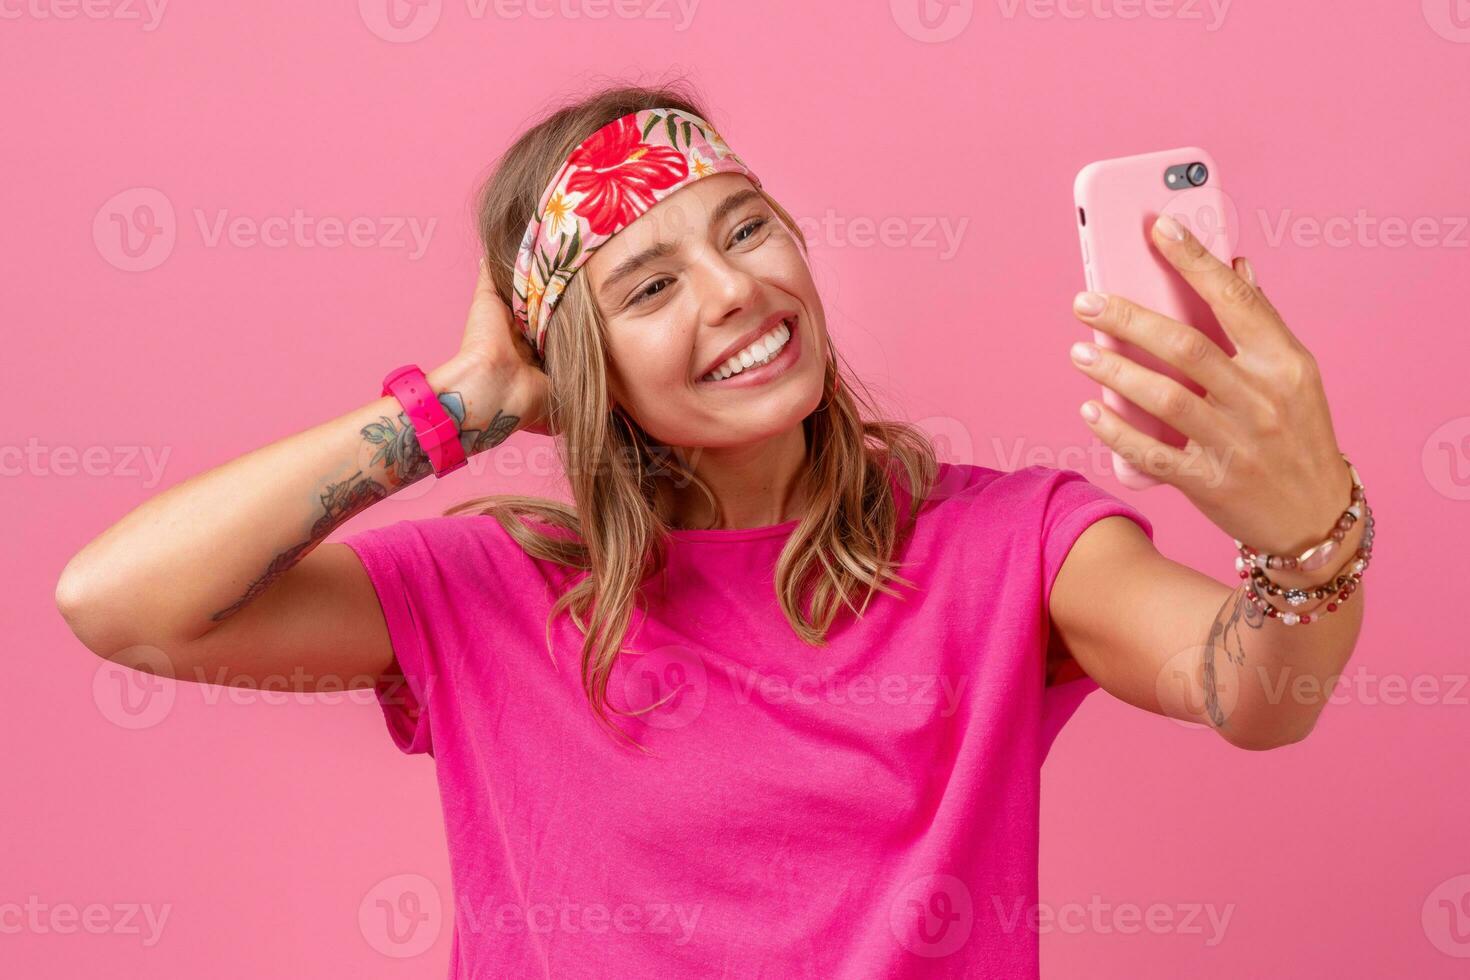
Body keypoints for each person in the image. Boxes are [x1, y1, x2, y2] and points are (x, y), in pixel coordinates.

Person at [54, 80, 1371, 978]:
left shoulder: (1009, 544)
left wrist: (1305, 527)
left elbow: (1253, 691)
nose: (736, 288)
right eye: (648, 282)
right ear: (577, 364)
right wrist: (456, 409)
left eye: (746, 228)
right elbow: (121, 606)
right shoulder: (496, 590)